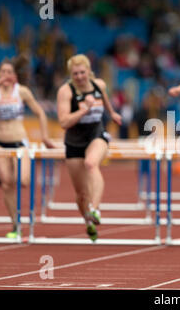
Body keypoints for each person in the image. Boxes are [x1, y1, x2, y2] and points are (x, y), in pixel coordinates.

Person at [0, 55, 55, 238]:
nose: (5, 75)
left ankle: (24, 214)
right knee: (6, 183)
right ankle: (15, 224)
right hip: (0, 143)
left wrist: (45, 136)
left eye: (9, 72)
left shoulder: (22, 91)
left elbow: (40, 113)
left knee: (23, 181)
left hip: (19, 143)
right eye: (2, 71)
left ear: (15, 75)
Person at [56, 54, 122, 242]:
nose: (79, 76)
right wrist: (84, 109)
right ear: (71, 74)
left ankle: (95, 209)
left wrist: (113, 114)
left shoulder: (98, 85)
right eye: (75, 73)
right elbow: (63, 122)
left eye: (82, 72)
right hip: (74, 141)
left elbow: (106, 102)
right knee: (80, 194)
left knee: (91, 164)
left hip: (96, 135)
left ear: (89, 71)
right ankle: (89, 222)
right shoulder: (65, 91)